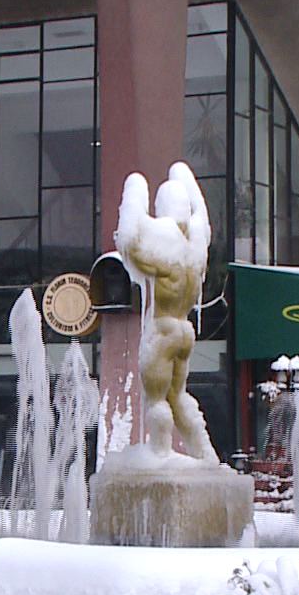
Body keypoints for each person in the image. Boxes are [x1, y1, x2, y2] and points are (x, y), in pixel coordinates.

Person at [114, 161, 218, 462]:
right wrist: (184, 176)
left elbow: (129, 243)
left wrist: (135, 190)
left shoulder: (164, 251)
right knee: (178, 395)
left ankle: (159, 456)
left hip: (162, 330)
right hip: (185, 331)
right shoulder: (195, 248)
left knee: (156, 398)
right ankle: (206, 455)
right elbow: (204, 217)